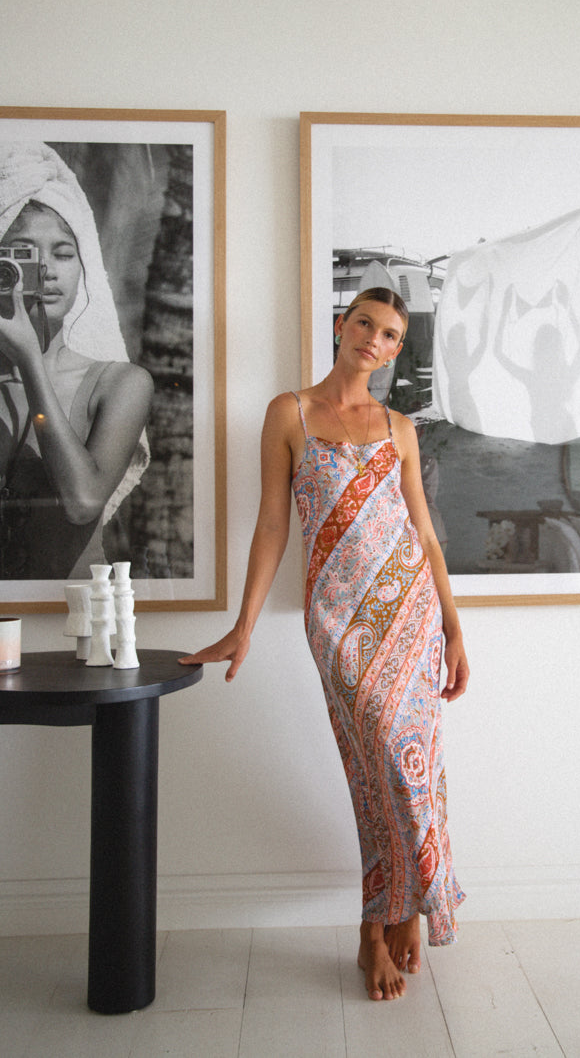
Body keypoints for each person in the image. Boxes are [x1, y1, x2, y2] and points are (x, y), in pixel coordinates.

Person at [181, 287, 469, 1001]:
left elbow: (424, 534)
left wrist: (454, 626)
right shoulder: (290, 413)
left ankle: (390, 917)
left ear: (396, 350)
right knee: (375, 768)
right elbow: (272, 525)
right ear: (342, 327)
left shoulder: (399, 427)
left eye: (390, 334)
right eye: (365, 323)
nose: (375, 338)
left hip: (411, 613)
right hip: (337, 621)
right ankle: (395, 910)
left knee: (413, 770)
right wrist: (244, 624)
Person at [0, 143, 153, 580]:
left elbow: (82, 502)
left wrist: (29, 359)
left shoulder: (120, 383)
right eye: (24, 253)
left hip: (73, 610)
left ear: (83, 268)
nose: (48, 270)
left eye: (64, 254)